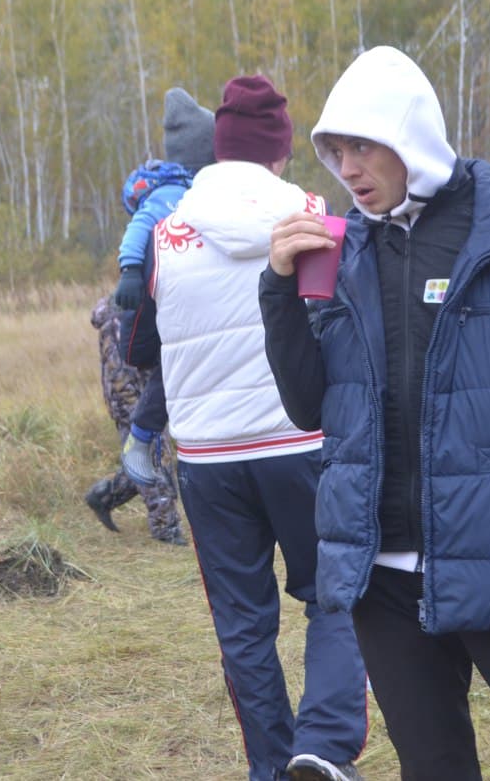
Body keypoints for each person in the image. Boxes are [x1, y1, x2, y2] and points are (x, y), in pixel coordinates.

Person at [260, 46, 490, 780]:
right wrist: (278, 290)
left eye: (363, 146)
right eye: (336, 152)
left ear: (410, 136)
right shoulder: (345, 252)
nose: (348, 168)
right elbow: (309, 406)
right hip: (383, 579)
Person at [124, 75, 369, 781]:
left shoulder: (167, 231)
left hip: (206, 457)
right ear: (280, 151)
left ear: (219, 147)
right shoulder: (310, 215)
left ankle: (270, 766)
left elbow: (139, 344)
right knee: (337, 593)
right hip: (301, 445)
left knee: (243, 627)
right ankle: (322, 746)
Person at [113, 87, 215, 486]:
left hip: (162, 306)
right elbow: (139, 227)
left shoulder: (192, 191)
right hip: (142, 309)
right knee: (172, 368)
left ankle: (148, 452)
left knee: (176, 370)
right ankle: (140, 442)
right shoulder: (172, 195)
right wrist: (129, 270)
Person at [83, 295, 185, 545]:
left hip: (140, 399)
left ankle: (105, 496)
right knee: (154, 460)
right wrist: (141, 409)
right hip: (134, 401)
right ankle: (166, 531)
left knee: (145, 458)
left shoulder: (132, 304)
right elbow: (122, 371)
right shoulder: (124, 314)